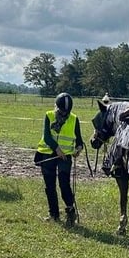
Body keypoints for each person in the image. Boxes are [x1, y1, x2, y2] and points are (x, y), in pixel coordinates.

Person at [35, 92, 84, 225]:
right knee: (50, 186)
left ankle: (70, 211)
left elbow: (80, 141)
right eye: (61, 111)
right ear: (56, 107)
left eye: (66, 112)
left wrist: (78, 150)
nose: (64, 114)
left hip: (65, 157)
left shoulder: (74, 119)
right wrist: (57, 149)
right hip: (48, 153)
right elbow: (47, 136)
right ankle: (54, 214)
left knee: (64, 184)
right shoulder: (49, 116)